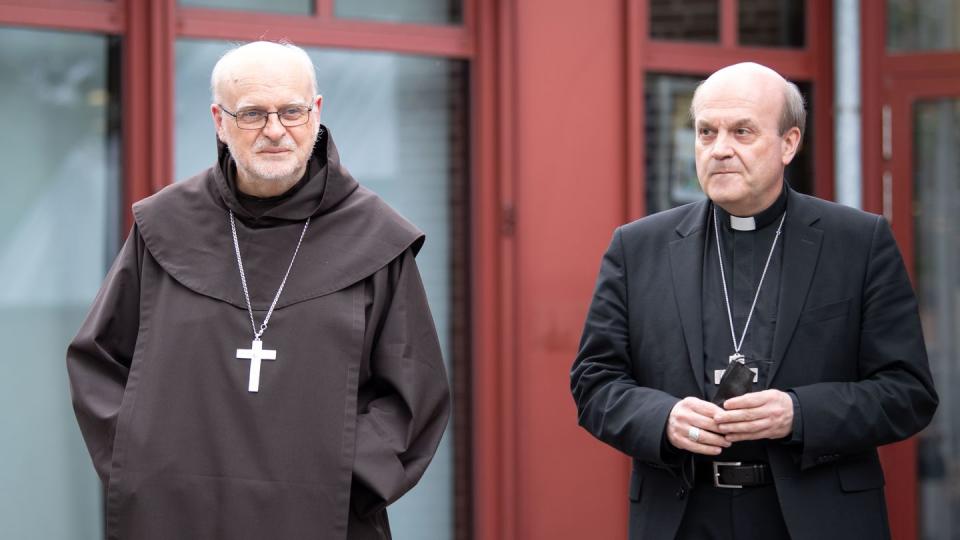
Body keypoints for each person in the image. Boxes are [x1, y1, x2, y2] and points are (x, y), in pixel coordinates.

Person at [67, 40, 450, 539]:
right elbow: (98, 362)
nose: (275, 130)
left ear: (316, 112)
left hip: (322, 518)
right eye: (252, 114)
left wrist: (337, 478)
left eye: (291, 111)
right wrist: (147, 464)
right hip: (178, 515)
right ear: (219, 122)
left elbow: (413, 395)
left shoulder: (376, 238)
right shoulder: (164, 226)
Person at [570, 62, 937, 539]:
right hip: (684, 516)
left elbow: (908, 392)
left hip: (817, 518)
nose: (720, 149)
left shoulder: (858, 242)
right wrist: (663, 418)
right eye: (707, 133)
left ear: (789, 143)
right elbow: (594, 382)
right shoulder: (637, 247)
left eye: (742, 132)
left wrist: (799, 413)